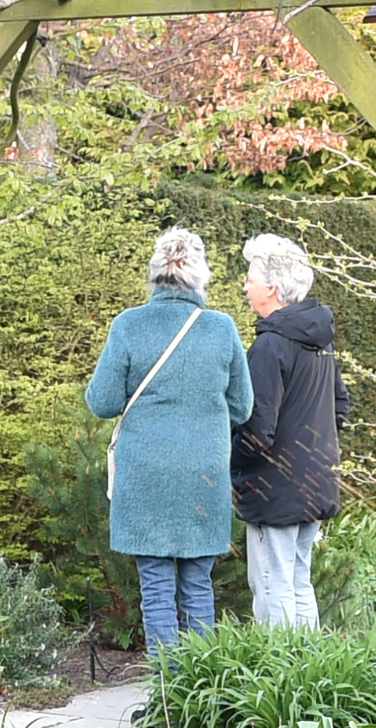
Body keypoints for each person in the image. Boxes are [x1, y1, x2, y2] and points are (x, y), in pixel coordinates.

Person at [87, 226, 255, 649]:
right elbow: (243, 407)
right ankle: (199, 695)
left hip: (145, 473)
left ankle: (164, 692)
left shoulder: (129, 326)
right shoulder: (221, 329)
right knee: (199, 584)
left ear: (155, 274)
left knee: (156, 588)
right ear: (201, 277)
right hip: (204, 474)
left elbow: (103, 402)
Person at [231, 233, 343, 630]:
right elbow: (339, 407)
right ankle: (308, 678)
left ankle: (282, 680)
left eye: (250, 278)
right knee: (298, 580)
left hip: (274, 487)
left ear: (272, 288)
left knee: (271, 583)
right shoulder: (321, 343)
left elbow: (256, 427)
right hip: (316, 479)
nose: (245, 286)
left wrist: (234, 466)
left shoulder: (270, 346)